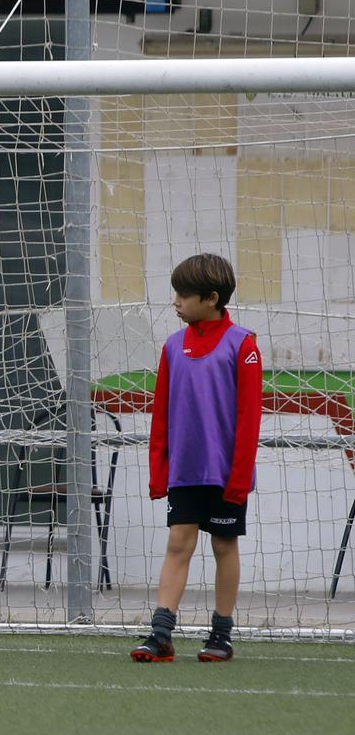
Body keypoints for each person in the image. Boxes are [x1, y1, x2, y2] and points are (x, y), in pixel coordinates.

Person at [133, 253, 261, 662]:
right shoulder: (173, 346)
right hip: (185, 473)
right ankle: (161, 634)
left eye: (184, 294)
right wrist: (159, 472)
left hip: (226, 475)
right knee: (177, 544)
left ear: (211, 298)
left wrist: (239, 478)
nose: (176, 301)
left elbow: (249, 418)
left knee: (224, 544)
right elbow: (162, 413)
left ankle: (221, 635)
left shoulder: (243, 345)